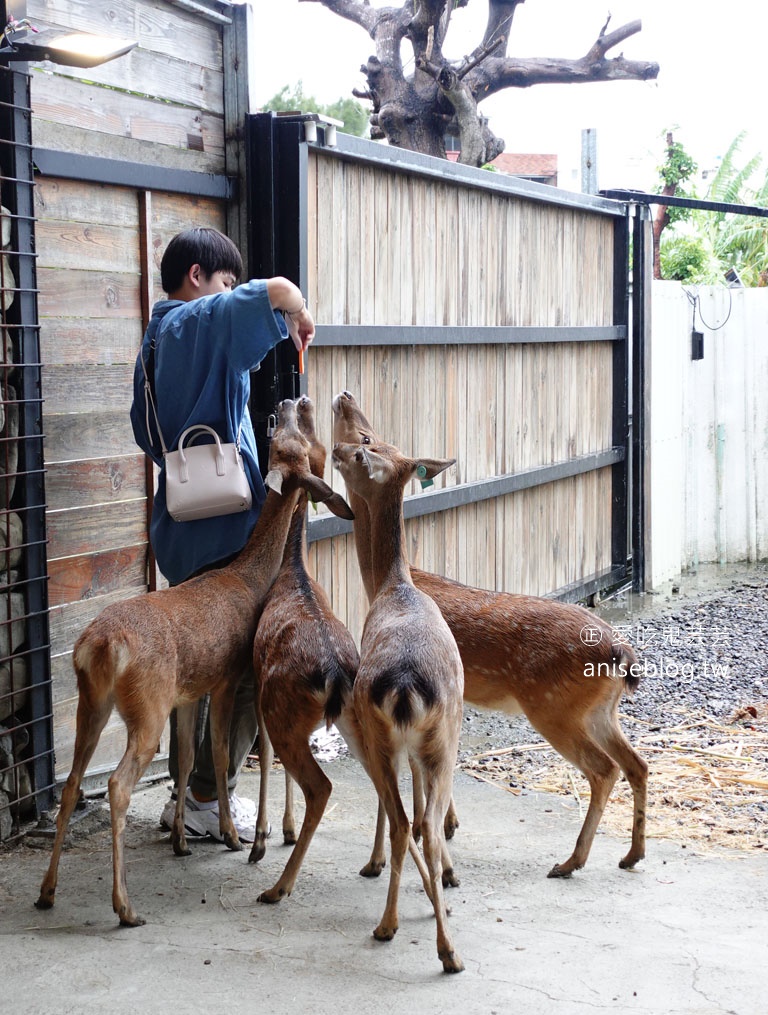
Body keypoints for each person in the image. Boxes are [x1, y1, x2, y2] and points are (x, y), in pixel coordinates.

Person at [130, 226, 315, 841]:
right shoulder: (202, 320)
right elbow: (279, 291)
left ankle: (184, 795)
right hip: (229, 535)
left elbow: (144, 436)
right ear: (197, 279)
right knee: (244, 669)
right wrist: (300, 312)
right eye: (225, 279)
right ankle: (209, 800)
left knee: (196, 672)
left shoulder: (151, 346)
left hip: (178, 529)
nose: (229, 289)